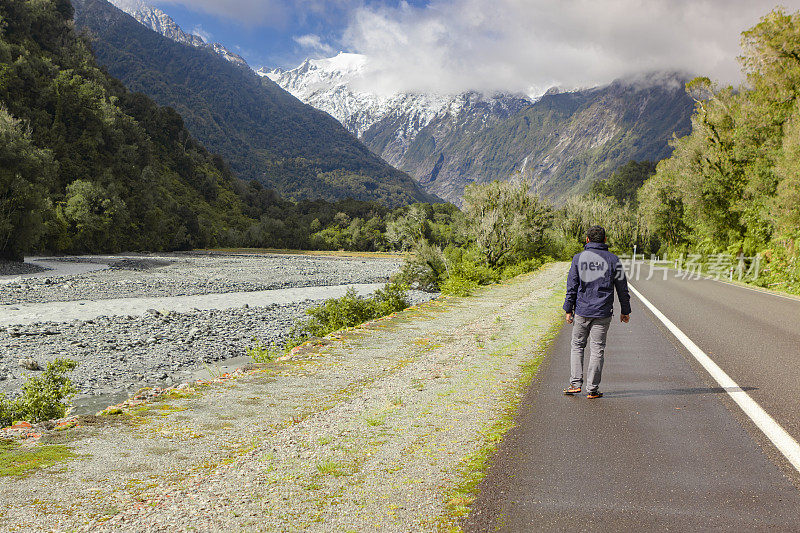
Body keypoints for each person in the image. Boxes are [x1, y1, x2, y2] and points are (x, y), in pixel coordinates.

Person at [562, 225, 631, 399]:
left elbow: (572, 286)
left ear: (587, 240)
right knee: (597, 348)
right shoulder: (613, 260)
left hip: (582, 311)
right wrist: (625, 310)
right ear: (605, 240)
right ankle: (592, 389)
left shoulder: (578, 259)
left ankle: (575, 384)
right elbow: (622, 287)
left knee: (577, 345)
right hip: (603, 312)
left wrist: (568, 309)